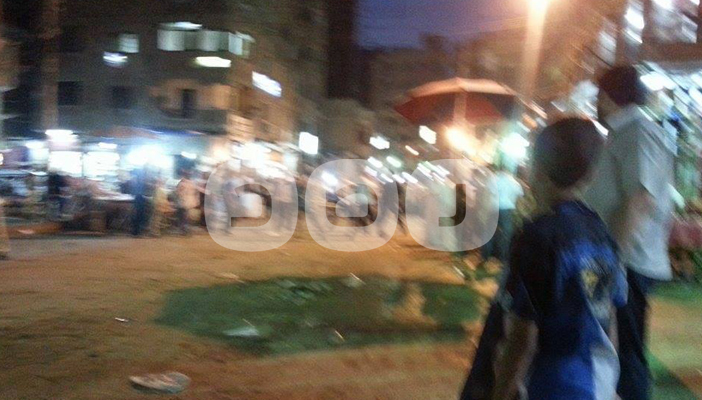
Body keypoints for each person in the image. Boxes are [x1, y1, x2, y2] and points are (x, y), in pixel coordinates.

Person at [490, 118, 627, 400]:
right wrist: (610, 387)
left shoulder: (536, 237)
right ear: (590, 175)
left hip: (550, 387)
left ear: (536, 169)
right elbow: (606, 318)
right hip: (596, 384)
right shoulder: (599, 233)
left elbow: (522, 338)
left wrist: (500, 393)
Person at [584, 65, 677, 400]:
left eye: (598, 95)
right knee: (610, 346)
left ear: (609, 97)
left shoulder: (639, 132)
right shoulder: (624, 133)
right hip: (617, 259)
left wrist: (615, 262)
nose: (596, 103)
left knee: (626, 351)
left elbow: (641, 199)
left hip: (628, 262)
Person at [481, 165, 523, 265]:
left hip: (493, 208)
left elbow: (488, 193)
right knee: (505, 235)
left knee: (489, 233)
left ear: (500, 170)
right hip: (508, 209)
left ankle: (486, 256)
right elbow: (520, 195)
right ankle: (503, 258)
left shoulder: (493, 179)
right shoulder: (514, 182)